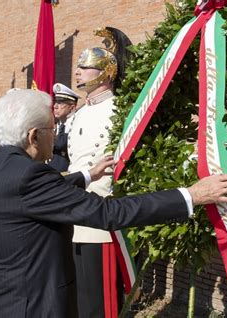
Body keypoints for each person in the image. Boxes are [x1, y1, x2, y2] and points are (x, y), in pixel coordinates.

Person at [0, 88, 227, 318]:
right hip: (39, 307)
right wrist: (191, 196)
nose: (55, 136)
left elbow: (36, 196)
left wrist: (89, 174)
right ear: (33, 136)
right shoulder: (30, 176)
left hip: (4, 304)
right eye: (51, 130)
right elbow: (108, 213)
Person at [69, 27, 132, 317]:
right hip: (74, 210)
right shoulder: (80, 112)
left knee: (101, 301)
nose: (78, 72)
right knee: (81, 296)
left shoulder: (118, 109)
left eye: (85, 67)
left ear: (105, 72)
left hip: (101, 212)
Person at [48, 83, 79, 172]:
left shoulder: (75, 124)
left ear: (72, 107)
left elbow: (61, 143)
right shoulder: (58, 124)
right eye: (55, 102)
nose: (55, 106)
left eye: (61, 103)